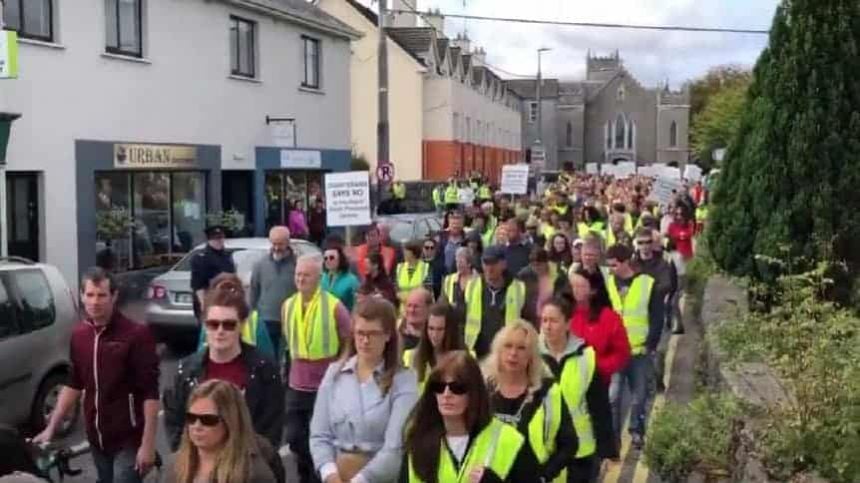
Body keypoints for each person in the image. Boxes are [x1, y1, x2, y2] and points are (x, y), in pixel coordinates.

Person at [33, 268, 160, 483]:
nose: (95, 302)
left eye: (102, 295)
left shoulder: (136, 335)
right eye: (90, 295)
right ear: (82, 296)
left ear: (114, 296)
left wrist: (147, 444)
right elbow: (74, 383)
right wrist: (51, 427)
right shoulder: (80, 335)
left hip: (128, 439)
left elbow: (150, 392)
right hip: (97, 439)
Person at [165, 275, 284, 451]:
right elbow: (175, 424)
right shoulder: (186, 371)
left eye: (228, 325)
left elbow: (270, 432)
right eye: (213, 324)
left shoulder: (264, 370)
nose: (220, 331)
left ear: (242, 325)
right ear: (205, 326)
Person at [311, 299, 419, 483]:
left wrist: (360, 480)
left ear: (387, 335)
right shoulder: (334, 374)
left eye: (373, 334)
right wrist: (330, 474)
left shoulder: (404, 381)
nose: (365, 340)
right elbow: (319, 435)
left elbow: (394, 448)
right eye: (360, 333)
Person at [400, 351, 539, 483]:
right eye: (439, 387)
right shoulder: (417, 443)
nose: (446, 394)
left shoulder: (508, 440)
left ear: (474, 393)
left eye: (457, 387)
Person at [282, 254, 353, 483]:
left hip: (325, 385)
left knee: (321, 438)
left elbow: (349, 338)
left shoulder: (334, 306)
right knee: (294, 437)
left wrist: (340, 365)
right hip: (296, 383)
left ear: (319, 278)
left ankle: (316, 476)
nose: (301, 279)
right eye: (298, 275)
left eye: (306, 275)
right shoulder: (288, 305)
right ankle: (309, 473)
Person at [483, 322, 576, 483]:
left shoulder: (548, 392)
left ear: (531, 355)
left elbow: (569, 444)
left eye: (521, 348)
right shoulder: (483, 389)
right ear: (498, 350)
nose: (513, 353)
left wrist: (544, 476)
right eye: (508, 346)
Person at [540, 298, 617, 481]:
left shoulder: (586, 356)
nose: (547, 326)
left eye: (553, 320)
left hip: (580, 451)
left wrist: (607, 451)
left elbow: (600, 407)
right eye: (544, 320)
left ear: (568, 323)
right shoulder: (530, 355)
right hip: (544, 449)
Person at [164, 380, 281, 483]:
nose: (197, 426)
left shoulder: (253, 474)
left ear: (230, 421)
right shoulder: (173, 467)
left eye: (208, 420)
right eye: (191, 418)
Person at [604, 244, 662, 450]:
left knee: (639, 396)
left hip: (639, 351)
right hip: (616, 352)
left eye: (613, 265)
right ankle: (613, 437)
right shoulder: (608, 284)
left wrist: (651, 344)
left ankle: (636, 430)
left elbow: (657, 317)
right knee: (613, 397)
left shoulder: (647, 283)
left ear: (626, 262)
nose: (610, 269)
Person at [632, 228, 677, 392]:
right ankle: (642, 382)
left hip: (657, 312)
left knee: (657, 352)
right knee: (640, 353)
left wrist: (646, 289)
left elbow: (667, 285)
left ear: (653, 244)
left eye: (648, 242)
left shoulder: (662, 264)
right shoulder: (632, 264)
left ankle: (657, 379)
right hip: (637, 315)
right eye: (641, 242)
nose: (644, 246)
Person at [568, 269, 631, 387]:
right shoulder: (561, 313)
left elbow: (622, 352)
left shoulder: (608, 317)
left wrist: (597, 367)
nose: (574, 290)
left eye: (580, 286)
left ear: (593, 290)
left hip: (597, 382)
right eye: (572, 285)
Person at [463, 246, 527, 358]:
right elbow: (461, 319)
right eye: (485, 263)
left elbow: (527, 323)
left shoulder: (519, 288)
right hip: (477, 354)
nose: (489, 268)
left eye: (493, 263)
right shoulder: (472, 286)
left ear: (503, 264)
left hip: (506, 355)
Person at [249, 225, 297, 363]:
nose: (276, 247)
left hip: (291, 319)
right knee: (268, 359)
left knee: (290, 359)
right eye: (274, 243)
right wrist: (253, 315)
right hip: (267, 320)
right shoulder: (260, 264)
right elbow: (254, 291)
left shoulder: (297, 264)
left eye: (280, 244)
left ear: (288, 243)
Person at [403, 302, 466, 389]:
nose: (434, 334)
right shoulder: (410, 358)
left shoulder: (464, 360)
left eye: (440, 329)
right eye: (431, 328)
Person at [190, 225, 236, 321]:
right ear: (209, 240)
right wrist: (203, 304)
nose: (219, 241)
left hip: (225, 301)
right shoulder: (201, 258)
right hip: (209, 301)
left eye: (221, 238)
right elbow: (198, 285)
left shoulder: (227, 256)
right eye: (215, 239)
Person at [517, 246, 570, 324]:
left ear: (546, 262)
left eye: (539, 265)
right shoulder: (524, 276)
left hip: (551, 318)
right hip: (529, 319)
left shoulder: (559, 277)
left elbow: (564, 298)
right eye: (533, 265)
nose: (536, 268)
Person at [665, 205, 695, 334]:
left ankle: (678, 324)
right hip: (673, 267)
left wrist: (678, 236)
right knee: (669, 300)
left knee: (675, 300)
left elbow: (687, 234)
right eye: (676, 214)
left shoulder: (688, 225)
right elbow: (671, 235)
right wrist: (679, 236)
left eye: (681, 214)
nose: (679, 217)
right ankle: (671, 322)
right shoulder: (672, 225)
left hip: (683, 268)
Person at [322, 243, 361, 312]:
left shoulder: (352, 280)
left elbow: (358, 304)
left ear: (340, 259)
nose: (328, 260)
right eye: (325, 258)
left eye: (331, 257)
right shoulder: (321, 278)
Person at [395, 241, 431, 309]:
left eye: (406, 252)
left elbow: (428, 291)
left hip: (420, 308)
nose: (404, 254)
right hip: (403, 309)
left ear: (414, 253)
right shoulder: (400, 267)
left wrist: (411, 298)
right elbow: (396, 289)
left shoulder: (425, 268)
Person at [398, 288, 433, 352]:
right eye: (409, 306)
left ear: (429, 308)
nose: (412, 310)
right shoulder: (395, 333)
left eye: (416, 306)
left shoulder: (436, 334)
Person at [437, 210, 467, 274]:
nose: (455, 226)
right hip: (444, 275)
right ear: (449, 223)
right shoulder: (441, 237)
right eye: (453, 224)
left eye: (458, 224)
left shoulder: (467, 238)